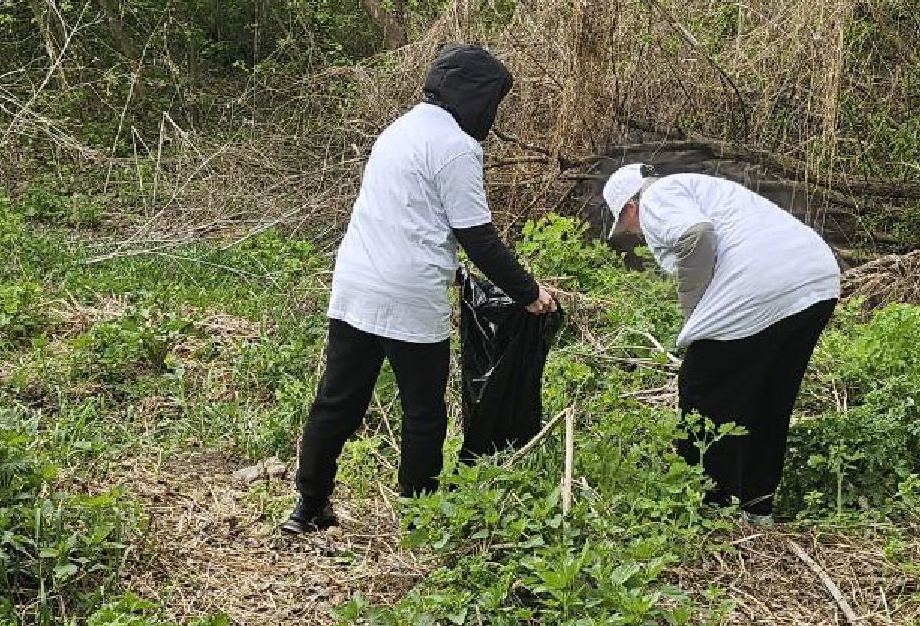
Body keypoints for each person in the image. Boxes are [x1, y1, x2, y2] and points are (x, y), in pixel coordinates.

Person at [282, 44, 557, 536]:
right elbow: (479, 238)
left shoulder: (400, 128)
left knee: (337, 401)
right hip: (410, 295)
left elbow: (409, 216)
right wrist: (529, 292)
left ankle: (309, 506)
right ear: (477, 97)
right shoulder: (456, 147)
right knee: (424, 408)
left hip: (356, 284)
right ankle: (419, 513)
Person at [602, 163, 840, 522]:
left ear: (629, 207)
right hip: (816, 281)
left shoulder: (655, 196)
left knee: (703, 390)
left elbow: (696, 235)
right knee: (769, 400)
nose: (634, 233)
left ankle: (712, 512)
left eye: (628, 225)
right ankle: (757, 507)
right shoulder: (704, 188)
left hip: (763, 287)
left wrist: (693, 309)